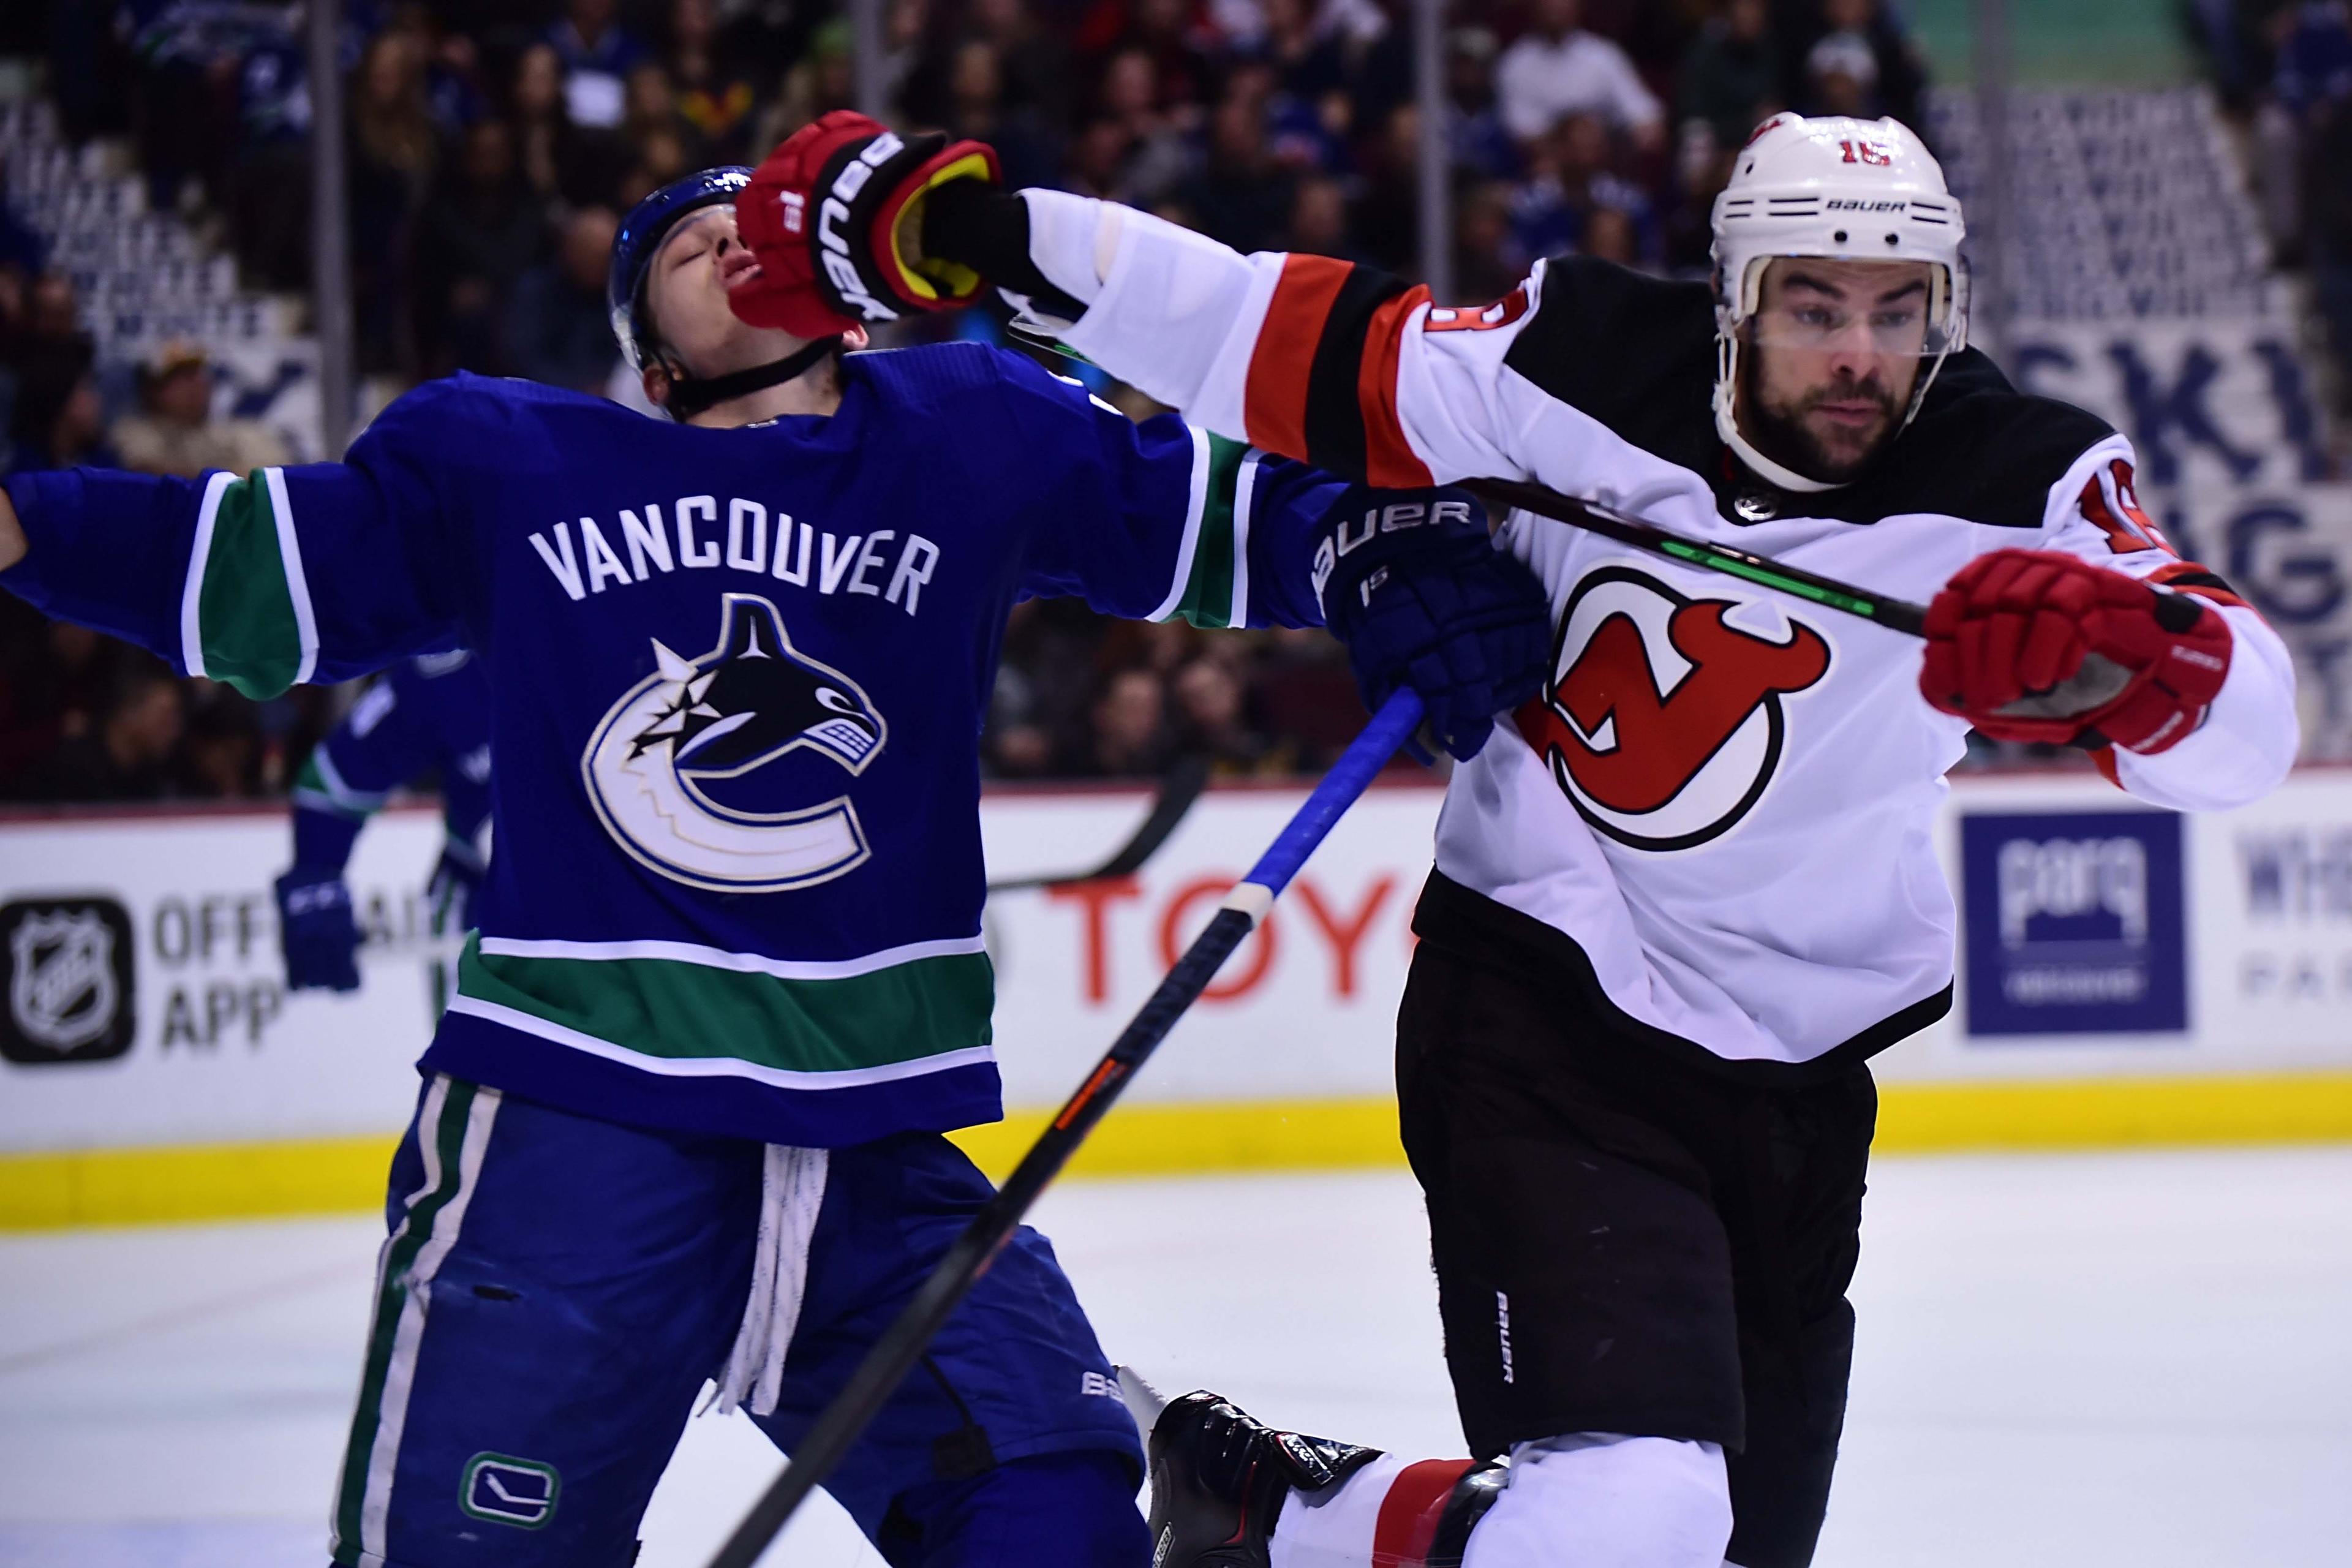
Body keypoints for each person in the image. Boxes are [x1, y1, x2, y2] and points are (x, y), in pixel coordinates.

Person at [787, 108, 2307, 1566]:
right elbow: (1263, 332)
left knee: (1698, 1550)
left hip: (1791, 1079)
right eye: (1813, 302)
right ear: (1733, 296)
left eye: (1897, 308)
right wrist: (982, 232)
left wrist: (2141, 655)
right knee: (1622, 1529)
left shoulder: (2019, 483)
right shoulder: (1569, 360)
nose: (1856, 351)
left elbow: (2247, 730)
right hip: (1541, 1012)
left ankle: (1268, 1514)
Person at [0, 143, 1548, 1566]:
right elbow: (236, 563)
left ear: (854, 311)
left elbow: (1230, 513)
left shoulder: (974, 428)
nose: (731, 232)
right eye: (684, 236)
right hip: (578, 1129)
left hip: (875, 1155)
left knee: (1053, 1510)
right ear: (648, 350)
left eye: (761, 220)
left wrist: (1370, 545)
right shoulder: (511, 461)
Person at [276, 650, 492, 1000]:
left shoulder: (605, 642)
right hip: (481, 915)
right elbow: (336, 781)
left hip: (608, 902)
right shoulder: (447, 672)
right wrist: (316, 878)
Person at [111, 341, 290, 479]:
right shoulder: (134, 432)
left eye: (197, 376)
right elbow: (148, 471)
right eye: (180, 378)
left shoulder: (238, 433)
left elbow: (274, 478)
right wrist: (230, 478)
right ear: (152, 391)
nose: (194, 386)